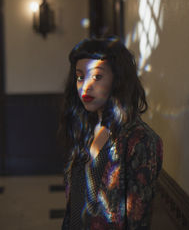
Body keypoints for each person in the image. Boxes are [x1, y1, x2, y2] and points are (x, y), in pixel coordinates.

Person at [59, 36, 163, 230]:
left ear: (118, 80)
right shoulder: (85, 129)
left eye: (97, 76)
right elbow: (74, 205)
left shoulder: (140, 140)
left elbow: (137, 220)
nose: (86, 86)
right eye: (80, 76)